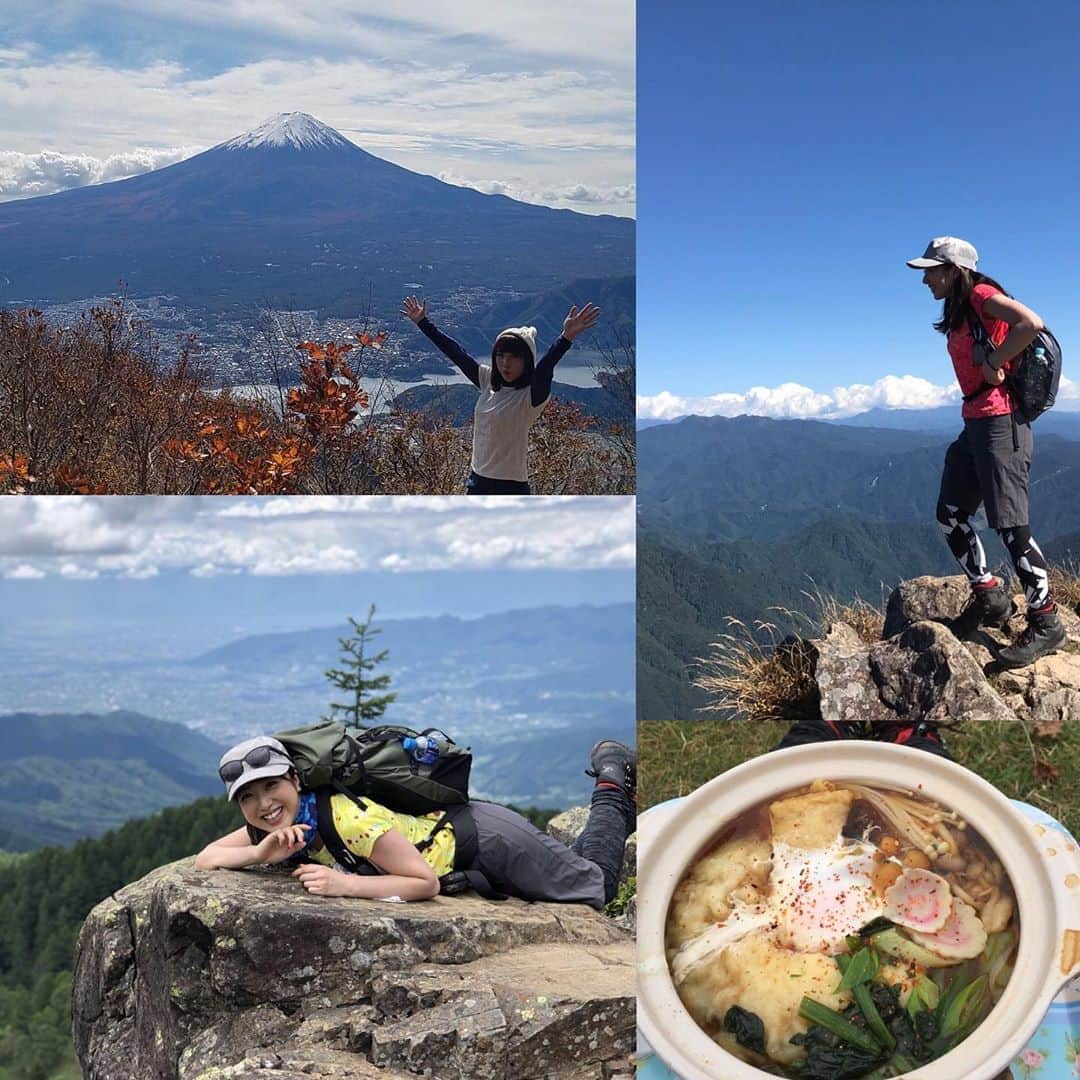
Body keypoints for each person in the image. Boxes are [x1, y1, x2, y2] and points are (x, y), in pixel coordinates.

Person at [194, 735, 635, 910]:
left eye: (271, 786)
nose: (264, 805)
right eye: (247, 798)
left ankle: (613, 780)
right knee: (568, 872)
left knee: (596, 887)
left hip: (489, 841)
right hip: (473, 849)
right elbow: (205, 859)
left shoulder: (345, 818)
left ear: (294, 778)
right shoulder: (276, 826)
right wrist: (258, 852)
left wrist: (343, 885)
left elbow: (423, 883)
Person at [907, 236, 1065, 668]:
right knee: (951, 512)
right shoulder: (961, 309)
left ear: (953, 269)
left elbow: (1030, 322)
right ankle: (990, 597)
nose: (925, 280)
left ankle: (1046, 620)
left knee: (1012, 526)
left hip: (1001, 423)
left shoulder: (980, 294)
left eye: (931, 270)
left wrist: (995, 358)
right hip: (976, 421)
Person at [401, 296, 601, 494]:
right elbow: (457, 353)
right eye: (501, 355)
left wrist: (565, 338)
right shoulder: (488, 381)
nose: (505, 363)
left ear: (527, 361)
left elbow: (546, 368)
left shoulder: (530, 396)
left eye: (514, 357)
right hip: (476, 482)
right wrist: (423, 323)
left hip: (511, 488)